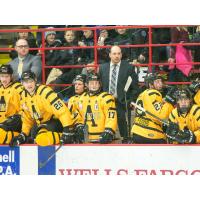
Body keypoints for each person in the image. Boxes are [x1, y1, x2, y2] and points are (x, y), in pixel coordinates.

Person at [9, 71, 74, 147]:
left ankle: (71, 137)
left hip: (55, 122)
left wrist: (67, 129)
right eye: (26, 82)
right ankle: (35, 139)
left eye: (31, 81)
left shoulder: (45, 92)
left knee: (41, 138)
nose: (29, 84)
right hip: (40, 125)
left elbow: (62, 111)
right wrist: (23, 134)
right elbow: (27, 118)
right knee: (35, 135)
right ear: (22, 83)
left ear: (35, 81)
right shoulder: (23, 96)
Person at [99, 45, 139, 142]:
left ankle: (125, 138)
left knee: (121, 117)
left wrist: (130, 100)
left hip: (122, 101)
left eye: (119, 53)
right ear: (110, 55)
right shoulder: (102, 68)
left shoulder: (129, 68)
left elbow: (135, 88)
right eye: (114, 54)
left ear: (121, 55)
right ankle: (105, 137)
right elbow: (100, 86)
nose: (117, 56)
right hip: (105, 102)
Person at [130, 73, 175, 144]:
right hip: (151, 133)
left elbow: (151, 110)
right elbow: (161, 116)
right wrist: (170, 103)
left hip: (137, 131)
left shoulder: (142, 94)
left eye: (161, 81)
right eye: (157, 82)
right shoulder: (154, 93)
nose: (160, 84)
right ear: (150, 85)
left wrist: (163, 102)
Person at [75, 73, 117, 143]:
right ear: (87, 85)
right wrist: (78, 126)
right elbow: (77, 114)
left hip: (104, 138)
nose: (94, 85)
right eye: (91, 83)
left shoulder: (106, 98)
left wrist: (109, 131)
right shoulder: (81, 98)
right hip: (87, 139)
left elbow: (111, 117)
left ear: (100, 84)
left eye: (96, 83)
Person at [0, 64, 23, 144]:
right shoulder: (0, 89)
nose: (4, 79)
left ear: (11, 76)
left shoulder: (18, 88)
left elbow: (23, 110)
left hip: (15, 120)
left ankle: (20, 136)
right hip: (3, 122)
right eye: (2, 76)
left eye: (6, 76)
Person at [67, 74, 87, 143]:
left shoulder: (88, 98)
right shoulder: (71, 99)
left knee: (80, 129)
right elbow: (70, 115)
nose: (76, 86)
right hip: (75, 125)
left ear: (85, 86)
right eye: (75, 84)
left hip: (86, 126)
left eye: (79, 84)